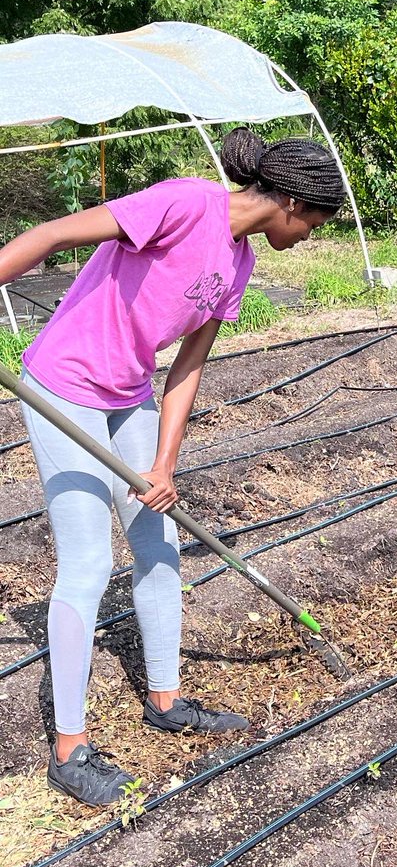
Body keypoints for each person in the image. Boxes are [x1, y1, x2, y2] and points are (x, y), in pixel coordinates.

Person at [0, 127, 346, 806]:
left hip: (128, 394)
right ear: (293, 204)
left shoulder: (240, 261)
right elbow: (51, 234)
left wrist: (165, 463)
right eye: (315, 225)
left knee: (158, 548)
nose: (310, 237)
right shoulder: (186, 202)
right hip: (62, 383)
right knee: (89, 564)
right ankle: (69, 752)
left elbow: (187, 366)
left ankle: (165, 699)